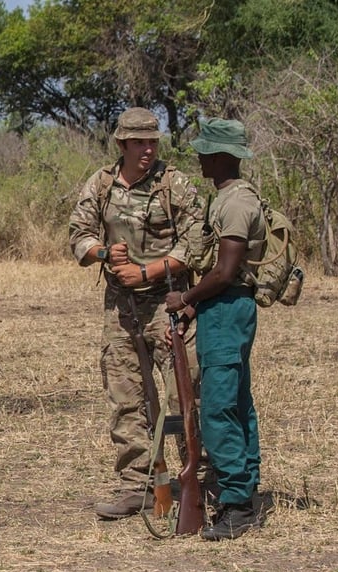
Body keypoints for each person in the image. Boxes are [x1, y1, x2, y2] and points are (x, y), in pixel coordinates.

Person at [68, 107, 204, 520]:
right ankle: (138, 485)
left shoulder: (174, 184)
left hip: (169, 302)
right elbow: (79, 233)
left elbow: (196, 242)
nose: (147, 150)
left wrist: (148, 270)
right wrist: (104, 253)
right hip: (120, 307)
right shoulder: (102, 183)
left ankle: (196, 479)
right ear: (122, 144)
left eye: (152, 142)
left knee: (184, 391)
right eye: (139, 143)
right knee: (125, 395)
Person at [165, 118, 264, 541]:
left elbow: (224, 272)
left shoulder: (236, 203)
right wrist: (194, 310)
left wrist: (185, 299)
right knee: (236, 401)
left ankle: (237, 503)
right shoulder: (225, 198)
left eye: (207, 151)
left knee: (220, 407)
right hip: (220, 310)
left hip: (226, 309)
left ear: (223, 156)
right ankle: (244, 489)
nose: (201, 157)